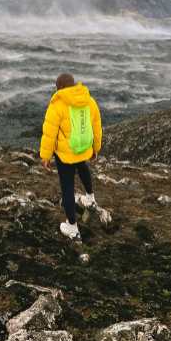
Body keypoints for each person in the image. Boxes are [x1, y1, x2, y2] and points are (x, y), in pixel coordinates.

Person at [39, 73, 102, 240]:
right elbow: (96, 127)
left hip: (65, 154)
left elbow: (49, 132)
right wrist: (96, 147)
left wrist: (45, 156)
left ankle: (72, 228)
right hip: (83, 148)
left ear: (59, 88)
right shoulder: (89, 100)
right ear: (73, 85)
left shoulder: (57, 104)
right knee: (82, 167)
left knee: (67, 187)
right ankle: (90, 199)